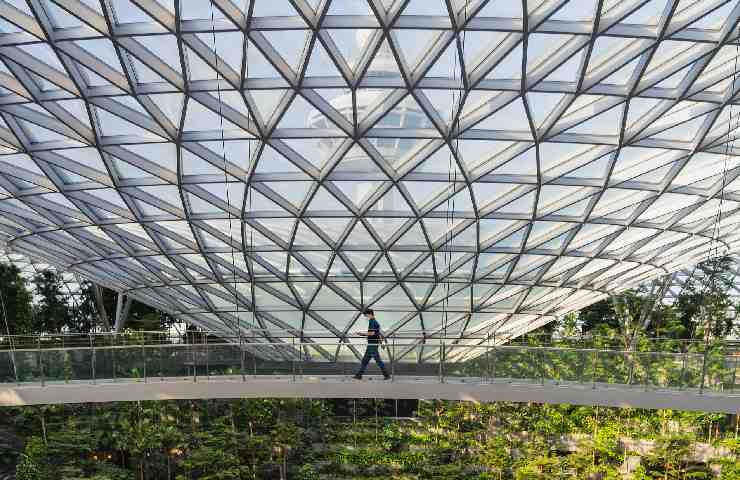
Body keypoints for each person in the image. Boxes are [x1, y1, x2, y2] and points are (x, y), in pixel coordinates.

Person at [353, 308, 390, 380]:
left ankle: (386, 375)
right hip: (371, 344)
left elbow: (372, 333)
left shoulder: (372, 322)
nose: (366, 317)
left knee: (378, 360)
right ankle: (359, 375)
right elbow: (378, 334)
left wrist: (362, 334)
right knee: (365, 360)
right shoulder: (375, 322)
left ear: (369, 314)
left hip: (372, 345)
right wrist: (381, 343)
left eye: (366, 315)